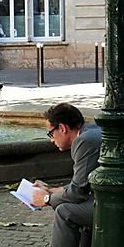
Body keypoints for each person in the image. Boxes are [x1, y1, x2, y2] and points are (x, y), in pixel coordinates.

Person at [30, 103, 101, 247]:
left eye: (51, 134)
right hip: (108, 197)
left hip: (113, 206)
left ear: (62, 128)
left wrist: (46, 198)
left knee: (65, 212)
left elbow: (78, 192)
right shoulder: (91, 130)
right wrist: (50, 190)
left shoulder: (84, 141)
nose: (51, 139)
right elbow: (82, 184)